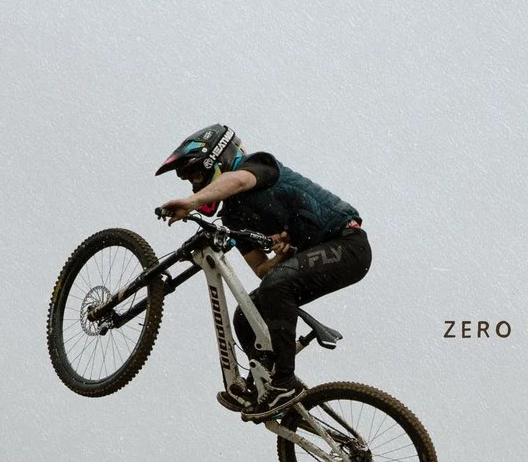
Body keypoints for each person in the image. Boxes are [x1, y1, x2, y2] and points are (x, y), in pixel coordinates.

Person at [154, 124, 368, 419]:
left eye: (197, 175)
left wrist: (191, 204)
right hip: (317, 255)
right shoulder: (233, 217)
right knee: (247, 314)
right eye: (190, 181)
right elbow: (262, 270)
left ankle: (284, 382)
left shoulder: (259, 165)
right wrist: (283, 257)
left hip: (347, 243)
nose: (194, 185)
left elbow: (238, 181)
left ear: (218, 158)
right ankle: (262, 386)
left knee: (276, 288)